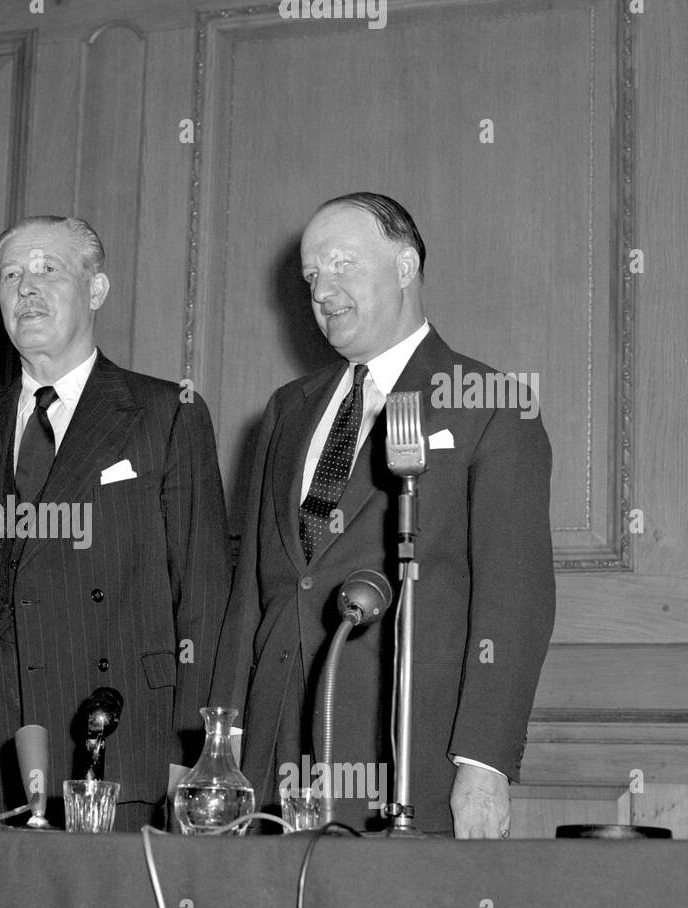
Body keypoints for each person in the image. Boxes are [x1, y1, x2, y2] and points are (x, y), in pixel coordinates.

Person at [212, 193, 555, 837]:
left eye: (342, 264)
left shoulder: (491, 407)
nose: (323, 289)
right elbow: (252, 596)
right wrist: (221, 741)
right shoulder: (286, 410)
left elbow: (516, 601)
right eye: (312, 275)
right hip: (270, 757)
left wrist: (483, 764)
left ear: (405, 265)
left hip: (403, 756)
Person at [0, 216, 230, 829]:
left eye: (49, 270)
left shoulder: (164, 414)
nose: (27, 288)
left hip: (118, 736)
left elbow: (203, 594)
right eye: (12, 276)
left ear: (96, 291)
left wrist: (193, 751)